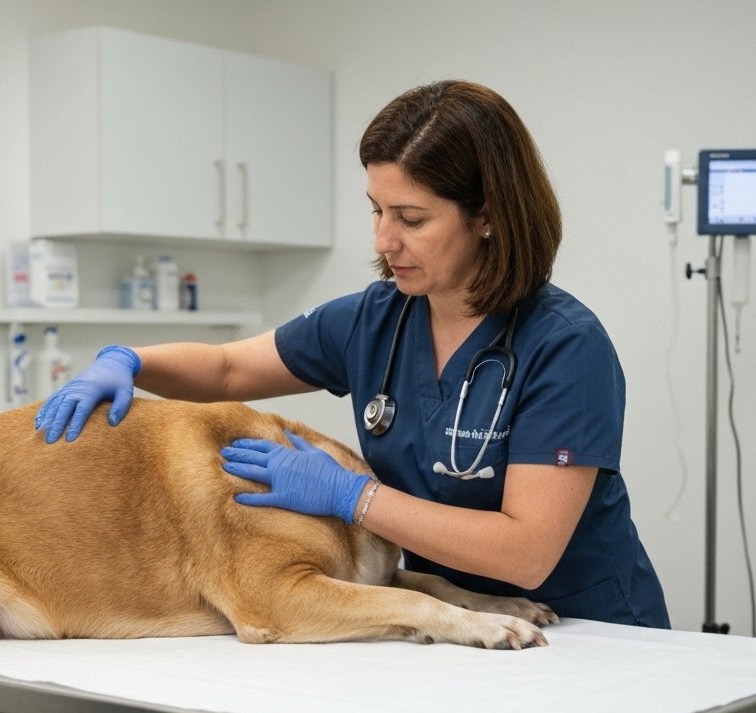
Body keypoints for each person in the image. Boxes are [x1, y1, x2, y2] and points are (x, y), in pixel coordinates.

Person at [34, 80, 669, 628]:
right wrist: (131, 361)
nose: (384, 239)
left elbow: (525, 552)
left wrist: (353, 498)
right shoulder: (376, 318)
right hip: (459, 624)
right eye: (376, 210)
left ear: (489, 217)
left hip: (589, 632)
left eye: (412, 218)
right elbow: (229, 369)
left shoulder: (564, 346)